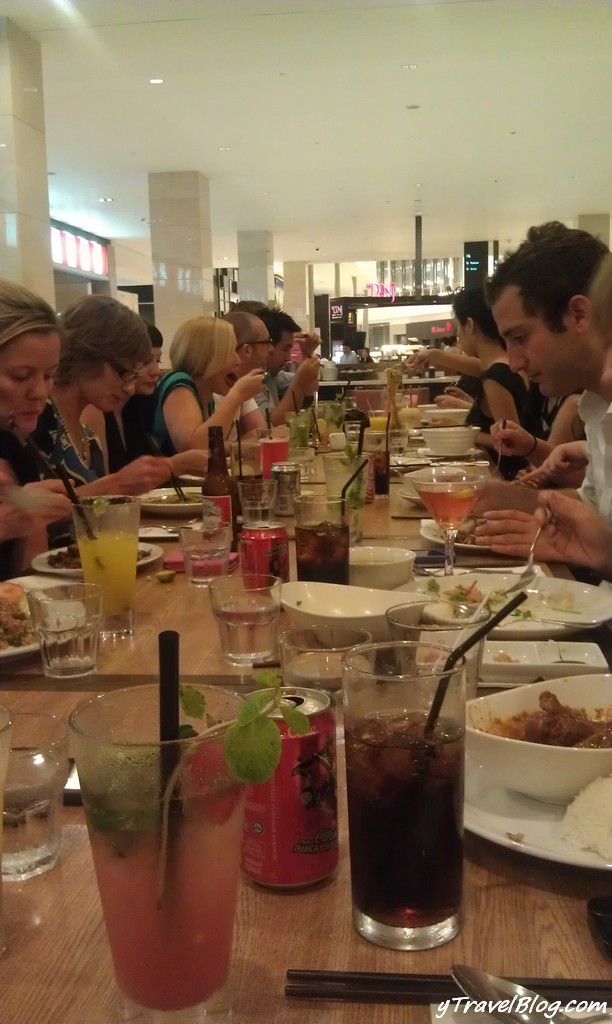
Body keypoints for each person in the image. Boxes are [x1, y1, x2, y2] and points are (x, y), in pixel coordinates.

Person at [475, 225, 610, 558]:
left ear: (578, 315)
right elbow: (596, 509)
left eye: (520, 338)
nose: (515, 363)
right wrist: (513, 498)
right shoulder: (596, 407)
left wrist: (607, 557)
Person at [27, 295, 172, 499]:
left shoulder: (89, 436)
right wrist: (116, 484)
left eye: (134, 376)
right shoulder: (38, 418)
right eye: (125, 373)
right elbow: (30, 510)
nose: (130, 389)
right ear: (88, 356)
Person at [0, 280, 74, 577]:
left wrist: (30, 516)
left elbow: (28, 578)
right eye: (21, 376)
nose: (41, 393)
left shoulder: (15, 439)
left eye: (49, 375)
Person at [83, 322, 206, 478]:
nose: (156, 372)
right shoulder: (95, 409)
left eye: (158, 361)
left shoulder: (137, 406)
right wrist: (174, 465)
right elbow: (104, 486)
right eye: (145, 362)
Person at [440, 287, 532, 479]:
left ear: (470, 325)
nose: (458, 335)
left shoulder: (495, 376)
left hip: (507, 477)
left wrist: (466, 432)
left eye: (458, 327)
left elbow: (511, 444)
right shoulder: (507, 364)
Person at [152, 315, 265, 455]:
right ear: (206, 356)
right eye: (229, 352)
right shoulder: (179, 383)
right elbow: (195, 451)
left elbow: (213, 448)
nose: (238, 361)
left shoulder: (206, 397)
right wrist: (237, 396)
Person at [254, 309, 319, 427]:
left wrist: (307, 353)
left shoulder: (271, 375)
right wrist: (299, 384)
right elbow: (268, 428)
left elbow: (311, 389)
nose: (288, 357)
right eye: (285, 349)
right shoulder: (250, 379)